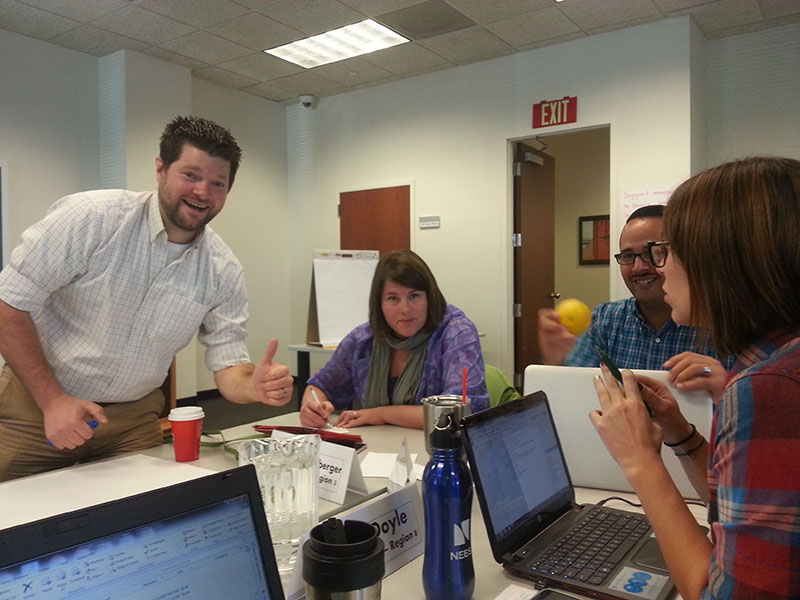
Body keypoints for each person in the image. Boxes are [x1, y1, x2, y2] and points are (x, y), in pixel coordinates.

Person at [0, 115, 294, 482]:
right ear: (160, 169)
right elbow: (9, 304)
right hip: (36, 405)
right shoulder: (91, 218)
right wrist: (52, 401)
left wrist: (253, 386)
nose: (203, 192)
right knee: (13, 509)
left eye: (217, 183)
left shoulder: (223, 270)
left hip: (132, 419)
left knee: (143, 510)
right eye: (191, 175)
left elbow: (228, 363)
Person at [591, 156, 800, 599]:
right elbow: (737, 511)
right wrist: (681, 434)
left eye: (667, 251)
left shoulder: (772, 388)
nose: (658, 267)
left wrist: (641, 461)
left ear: (723, 260)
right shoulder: (771, 362)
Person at [538, 205, 732, 396]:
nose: (638, 267)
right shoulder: (606, 320)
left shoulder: (723, 327)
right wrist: (556, 362)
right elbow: (576, 391)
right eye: (628, 256)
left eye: (651, 253)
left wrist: (726, 390)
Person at [299, 250, 488, 429]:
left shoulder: (456, 332)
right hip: (379, 448)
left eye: (414, 296)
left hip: (439, 447)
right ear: (379, 303)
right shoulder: (364, 340)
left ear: (430, 298)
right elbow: (319, 387)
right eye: (393, 299)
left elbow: (458, 412)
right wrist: (312, 409)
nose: (405, 309)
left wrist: (381, 415)